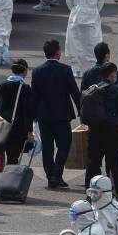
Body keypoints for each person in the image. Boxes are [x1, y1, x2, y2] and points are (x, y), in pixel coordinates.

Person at [32, 40, 81, 188]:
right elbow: (74, 92)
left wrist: (33, 116)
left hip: (44, 116)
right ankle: (56, 174)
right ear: (57, 52)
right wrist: (82, 111)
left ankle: (50, 176)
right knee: (65, 144)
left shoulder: (37, 71)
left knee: (47, 147)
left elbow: (34, 96)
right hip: (62, 115)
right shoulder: (65, 70)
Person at [84, 62, 118, 195]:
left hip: (95, 129)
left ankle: (91, 189)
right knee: (114, 161)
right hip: (111, 130)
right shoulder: (116, 89)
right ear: (112, 74)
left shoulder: (94, 89)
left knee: (93, 161)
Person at [64, 0, 105, 77]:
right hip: (88, 16)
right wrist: (94, 11)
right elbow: (101, 1)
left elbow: (69, 1)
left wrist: (76, 10)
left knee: (77, 42)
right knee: (90, 41)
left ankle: (78, 68)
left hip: (78, 16)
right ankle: (87, 68)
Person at [0, 59, 35, 164]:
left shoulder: (3, 85)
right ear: (24, 71)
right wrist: (30, 131)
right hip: (17, 128)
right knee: (13, 158)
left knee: (1, 155)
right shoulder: (25, 88)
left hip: (1, 126)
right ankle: (10, 179)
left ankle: (6, 177)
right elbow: (28, 112)